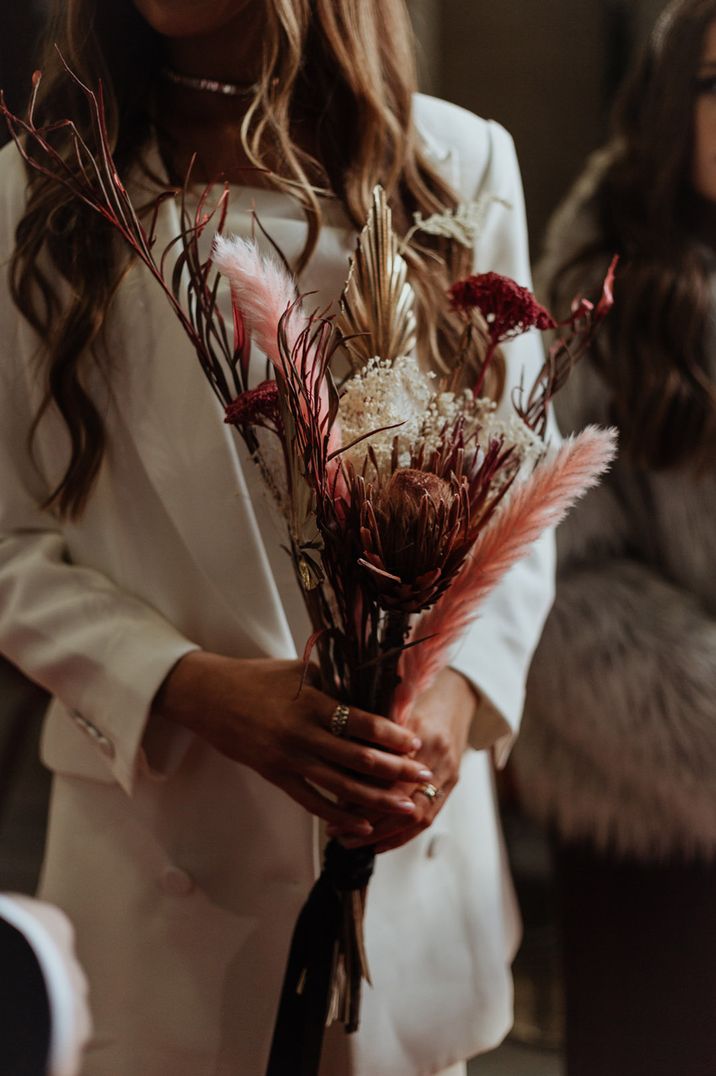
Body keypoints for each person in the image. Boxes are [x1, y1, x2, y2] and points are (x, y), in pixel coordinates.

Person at [0, 1, 555, 1073]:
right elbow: (9, 541)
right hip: (162, 847)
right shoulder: (38, 193)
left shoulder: (458, 161)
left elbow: (521, 497)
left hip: (401, 847)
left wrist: (453, 697)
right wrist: (193, 686)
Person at [514, 2, 716, 1074]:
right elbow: (561, 585)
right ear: (666, 101)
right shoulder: (596, 290)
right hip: (646, 817)